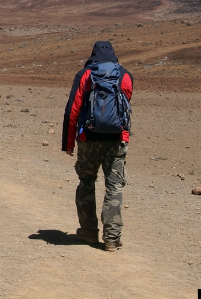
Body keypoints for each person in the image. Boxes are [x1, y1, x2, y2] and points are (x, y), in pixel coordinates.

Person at [62, 41, 133, 251]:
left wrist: (68, 143)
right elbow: (125, 106)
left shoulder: (85, 74)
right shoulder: (124, 75)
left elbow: (72, 111)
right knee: (114, 186)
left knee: (86, 182)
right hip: (117, 139)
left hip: (88, 139)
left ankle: (89, 232)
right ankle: (112, 238)